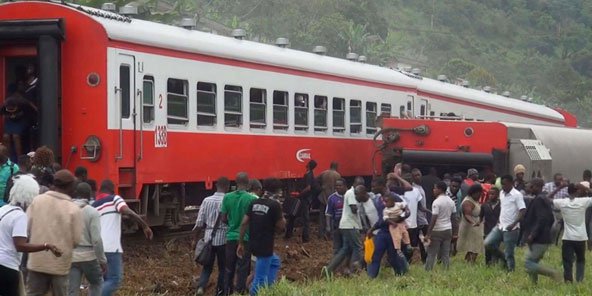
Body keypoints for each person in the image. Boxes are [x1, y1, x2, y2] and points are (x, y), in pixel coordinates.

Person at [0, 174, 61, 296]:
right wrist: (45, 245)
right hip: (7, 267)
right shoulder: (20, 216)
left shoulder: (4, 209)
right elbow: (20, 245)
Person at [26, 170, 83, 296]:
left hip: (37, 262)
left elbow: (27, 227)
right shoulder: (73, 209)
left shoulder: (37, 201)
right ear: (70, 186)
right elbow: (77, 240)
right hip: (60, 265)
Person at [93, 179, 153, 296]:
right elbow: (126, 210)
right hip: (111, 247)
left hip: (96, 248)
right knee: (115, 280)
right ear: (112, 190)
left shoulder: (94, 205)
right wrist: (145, 226)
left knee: (105, 280)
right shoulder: (114, 198)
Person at [237, 178, 285, 296]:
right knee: (260, 278)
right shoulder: (275, 205)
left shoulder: (254, 203)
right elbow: (281, 227)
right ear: (277, 191)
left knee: (275, 262)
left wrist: (241, 242)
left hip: (253, 243)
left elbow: (244, 223)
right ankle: (256, 292)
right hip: (265, 246)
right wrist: (282, 217)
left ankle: (268, 289)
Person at [221, 172, 257, 295]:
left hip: (230, 237)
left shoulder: (227, 197)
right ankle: (240, 292)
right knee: (242, 267)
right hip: (245, 238)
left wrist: (232, 225)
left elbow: (223, 218)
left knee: (228, 267)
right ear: (248, 184)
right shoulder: (251, 199)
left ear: (235, 183)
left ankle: (227, 291)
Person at [69, 182, 107, 296]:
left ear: (76, 193)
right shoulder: (92, 212)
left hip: (71, 256)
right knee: (97, 282)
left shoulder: (67, 210)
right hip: (89, 257)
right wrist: (102, 260)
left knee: (72, 290)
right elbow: (96, 240)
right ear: (89, 195)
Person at [194, 177, 230, 296]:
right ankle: (220, 292)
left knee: (207, 266)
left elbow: (199, 223)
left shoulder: (206, 200)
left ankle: (201, 287)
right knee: (223, 268)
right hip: (223, 239)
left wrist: (195, 239)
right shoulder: (228, 200)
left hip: (209, 238)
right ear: (227, 187)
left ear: (216, 186)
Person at [484, 175, 526, 272]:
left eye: (505, 184)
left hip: (512, 228)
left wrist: (514, 223)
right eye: (502, 184)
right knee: (487, 243)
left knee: (509, 252)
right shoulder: (502, 193)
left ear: (511, 183)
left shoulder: (517, 195)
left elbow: (523, 210)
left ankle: (510, 270)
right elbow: (504, 208)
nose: (503, 186)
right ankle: (502, 257)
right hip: (500, 226)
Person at [522, 178, 561, 283]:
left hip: (539, 238)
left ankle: (552, 273)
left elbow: (542, 219)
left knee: (528, 263)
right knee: (533, 261)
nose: (529, 188)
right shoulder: (541, 198)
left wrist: (533, 234)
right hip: (541, 236)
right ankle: (533, 285)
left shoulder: (540, 199)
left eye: (531, 186)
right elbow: (550, 218)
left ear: (538, 187)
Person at [552, 183, 592, 282]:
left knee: (567, 261)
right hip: (581, 237)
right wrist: (586, 188)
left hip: (568, 237)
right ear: (577, 191)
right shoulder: (583, 201)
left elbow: (547, 199)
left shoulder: (562, 202)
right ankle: (579, 279)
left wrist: (559, 187)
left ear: (567, 191)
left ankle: (568, 280)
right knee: (580, 260)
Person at [322, 184, 365, 277]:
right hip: (351, 225)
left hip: (345, 225)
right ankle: (354, 271)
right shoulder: (351, 194)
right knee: (358, 247)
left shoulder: (349, 193)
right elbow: (354, 209)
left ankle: (328, 270)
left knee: (345, 249)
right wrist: (361, 205)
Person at [424, 181, 457, 271]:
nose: (433, 190)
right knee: (446, 254)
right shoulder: (451, 201)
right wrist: (455, 233)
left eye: (435, 188)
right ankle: (446, 270)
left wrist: (428, 233)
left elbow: (434, 218)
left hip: (437, 230)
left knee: (431, 253)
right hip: (448, 230)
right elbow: (454, 218)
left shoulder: (436, 202)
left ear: (440, 189)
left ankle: (428, 271)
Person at [285, 160, 318, 242]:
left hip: (304, 199)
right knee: (296, 215)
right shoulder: (310, 174)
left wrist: (299, 194)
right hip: (304, 199)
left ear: (308, 165)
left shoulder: (308, 175)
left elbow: (308, 187)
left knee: (301, 217)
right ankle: (291, 234)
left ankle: (304, 237)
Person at [1, 94, 37, 159]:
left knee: (16, 136)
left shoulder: (24, 104)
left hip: (22, 120)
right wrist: (8, 116)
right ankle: (8, 157)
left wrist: (33, 123)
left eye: (13, 110)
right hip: (10, 121)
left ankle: (19, 158)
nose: (12, 112)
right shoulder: (4, 107)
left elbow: (34, 110)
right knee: (5, 137)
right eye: (9, 110)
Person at [457, 184, 484, 263]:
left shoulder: (474, 200)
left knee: (475, 247)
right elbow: (467, 215)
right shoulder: (468, 202)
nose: (480, 196)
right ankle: (470, 263)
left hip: (476, 227)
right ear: (474, 193)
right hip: (471, 228)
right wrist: (473, 223)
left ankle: (468, 262)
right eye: (479, 194)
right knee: (473, 247)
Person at [544, 173, 569, 245]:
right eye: (559, 180)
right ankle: (551, 242)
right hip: (551, 210)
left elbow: (568, 199)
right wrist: (559, 188)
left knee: (560, 229)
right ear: (554, 180)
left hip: (561, 211)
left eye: (561, 179)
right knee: (553, 227)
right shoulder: (548, 186)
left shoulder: (566, 188)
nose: (561, 181)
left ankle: (556, 243)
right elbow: (546, 198)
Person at [318, 162, 341, 239]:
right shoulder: (337, 175)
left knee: (321, 216)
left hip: (323, 197)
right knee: (332, 216)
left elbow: (317, 181)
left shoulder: (323, 173)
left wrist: (322, 187)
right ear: (336, 167)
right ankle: (330, 234)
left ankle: (321, 234)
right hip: (332, 198)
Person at [480, 187, 501, 265]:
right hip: (487, 230)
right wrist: (478, 223)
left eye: (493, 194)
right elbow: (481, 217)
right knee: (487, 249)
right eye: (490, 194)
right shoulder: (485, 205)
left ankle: (495, 262)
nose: (491, 196)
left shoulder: (501, 205)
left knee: (496, 247)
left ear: (498, 195)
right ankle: (488, 264)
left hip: (498, 230)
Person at [325, 179, 346, 255]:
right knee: (337, 246)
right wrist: (328, 227)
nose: (338, 187)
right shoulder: (332, 198)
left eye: (340, 185)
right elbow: (328, 213)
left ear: (344, 186)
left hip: (347, 224)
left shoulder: (348, 196)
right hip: (337, 224)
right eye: (336, 185)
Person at [446, 177, 462, 256]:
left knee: (454, 236)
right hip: (447, 218)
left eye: (456, 187)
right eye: (453, 186)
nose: (454, 188)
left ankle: (453, 251)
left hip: (455, 217)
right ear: (450, 185)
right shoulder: (446, 194)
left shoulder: (458, 193)